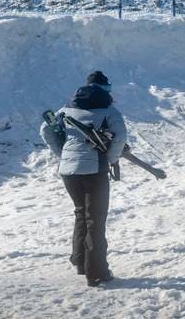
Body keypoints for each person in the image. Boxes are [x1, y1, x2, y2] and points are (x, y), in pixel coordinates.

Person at [40, 71, 127, 287]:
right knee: (95, 220)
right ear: (106, 90)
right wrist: (110, 158)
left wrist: (63, 153)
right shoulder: (110, 112)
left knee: (81, 213)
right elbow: (120, 137)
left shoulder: (67, 108)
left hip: (68, 172)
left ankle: (80, 261)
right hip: (94, 169)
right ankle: (96, 272)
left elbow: (45, 129)